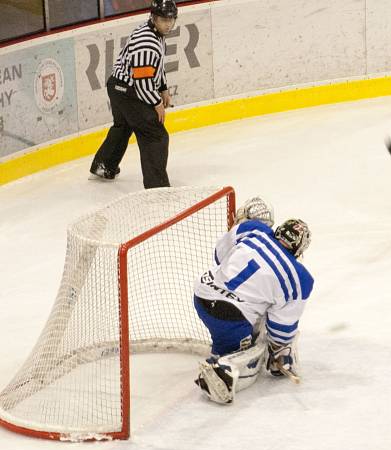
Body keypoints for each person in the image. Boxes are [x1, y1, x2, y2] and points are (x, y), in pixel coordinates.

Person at [192, 197, 314, 404]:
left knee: (258, 305)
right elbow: (282, 328)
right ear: (299, 250)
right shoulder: (299, 277)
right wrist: (278, 351)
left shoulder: (253, 230)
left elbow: (220, 255)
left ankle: (224, 353)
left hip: (202, 294)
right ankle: (225, 370)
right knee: (253, 354)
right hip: (230, 318)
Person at [90, 0, 177, 189]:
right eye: (164, 19)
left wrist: (163, 88)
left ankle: (103, 165)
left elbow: (156, 67)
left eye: (171, 19)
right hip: (128, 90)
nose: (168, 24)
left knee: (123, 126)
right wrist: (157, 103)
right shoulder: (146, 42)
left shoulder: (155, 33)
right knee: (155, 134)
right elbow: (143, 82)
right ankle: (157, 187)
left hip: (118, 86)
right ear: (153, 18)